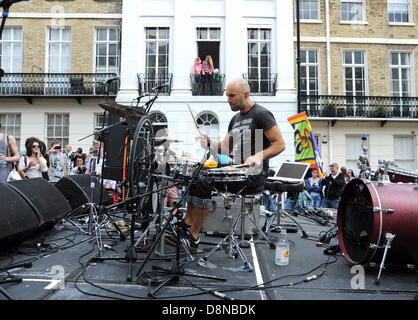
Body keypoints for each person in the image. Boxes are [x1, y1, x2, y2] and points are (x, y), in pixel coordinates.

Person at [181, 78, 286, 252]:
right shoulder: (235, 119)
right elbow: (225, 148)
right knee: (196, 176)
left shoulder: (261, 114)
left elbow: (280, 144)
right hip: (235, 172)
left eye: (232, 96)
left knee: (205, 182)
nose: (228, 99)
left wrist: (259, 155)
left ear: (246, 95)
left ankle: (193, 236)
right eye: (227, 95)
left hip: (254, 175)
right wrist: (210, 143)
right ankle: (186, 223)